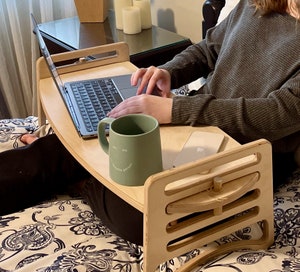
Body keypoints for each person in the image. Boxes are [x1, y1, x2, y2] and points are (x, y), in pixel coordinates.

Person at [0, 0, 299, 246]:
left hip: (247, 156)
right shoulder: (257, 3)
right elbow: (208, 49)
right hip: (197, 123)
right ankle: (71, 162)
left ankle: (83, 179)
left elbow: (276, 114)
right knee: (55, 152)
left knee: (141, 219)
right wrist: (168, 73)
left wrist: (175, 110)